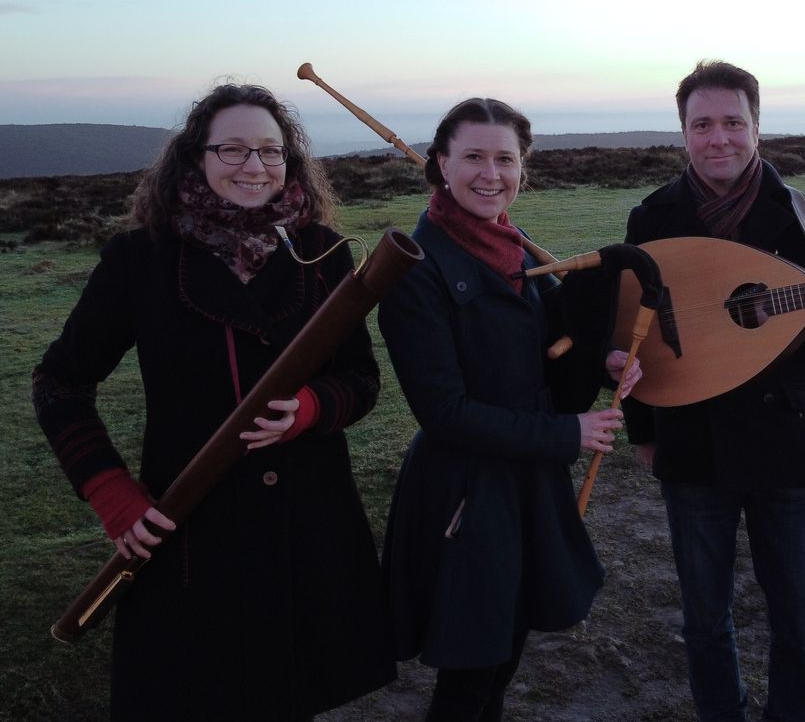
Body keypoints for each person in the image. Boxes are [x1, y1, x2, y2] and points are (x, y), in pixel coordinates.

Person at [32, 84, 396, 721]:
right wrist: (111, 491)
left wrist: (313, 407)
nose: (254, 166)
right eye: (233, 149)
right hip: (192, 529)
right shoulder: (139, 260)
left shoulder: (323, 254)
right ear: (195, 156)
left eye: (270, 151)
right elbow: (60, 382)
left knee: (291, 693)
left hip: (306, 524)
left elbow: (361, 379)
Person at [622, 60, 805, 722]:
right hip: (692, 447)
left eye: (733, 122)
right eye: (702, 124)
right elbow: (635, 337)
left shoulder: (802, 214)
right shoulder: (653, 218)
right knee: (704, 620)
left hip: (784, 450)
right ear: (683, 132)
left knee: (801, 622)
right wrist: (644, 431)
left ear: (757, 127)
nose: (719, 138)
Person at [377, 97, 641, 722]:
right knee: (470, 679)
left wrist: (603, 360)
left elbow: (555, 338)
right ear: (441, 164)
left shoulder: (513, 250)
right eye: (473, 157)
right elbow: (444, 413)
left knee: (502, 665)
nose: (490, 174)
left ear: (524, 168)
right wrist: (566, 434)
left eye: (506, 159)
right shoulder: (416, 272)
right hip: (465, 497)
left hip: (524, 483)